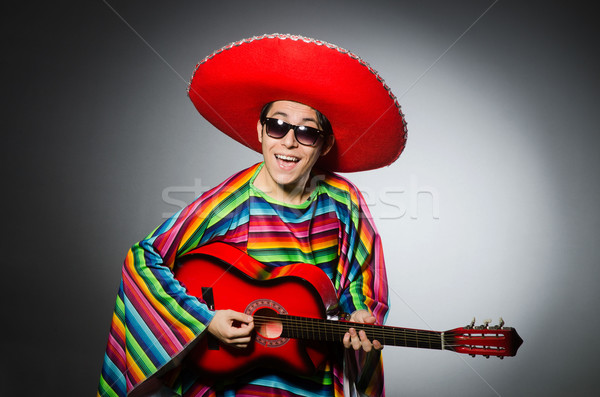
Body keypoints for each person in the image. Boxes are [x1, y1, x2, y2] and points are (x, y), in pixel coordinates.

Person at [98, 33, 407, 397]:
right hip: (233, 385)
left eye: (307, 132)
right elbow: (144, 259)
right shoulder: (230, 201)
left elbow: (362, 279)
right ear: (260, 131)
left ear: (324, 145)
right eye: (278, 126)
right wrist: (205, 319)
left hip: (313, 380)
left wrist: (360, 316)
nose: (288, 142)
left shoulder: (343, 201)